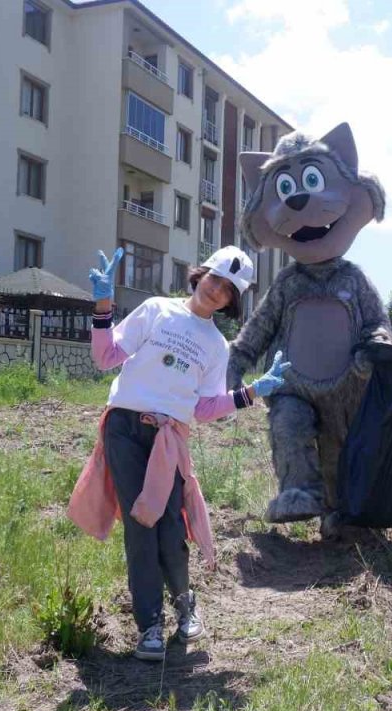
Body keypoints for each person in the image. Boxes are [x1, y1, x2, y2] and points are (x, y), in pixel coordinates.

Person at [66, 245, 289, 663]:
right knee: (140, 523)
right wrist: (102, 304)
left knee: (170, 525)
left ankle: (185, 602)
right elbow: (104, 356)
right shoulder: (156, 310)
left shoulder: (216, 345)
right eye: (215, 279)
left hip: (169, 438)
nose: (217, 291)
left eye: (227, 290)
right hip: (126, 429)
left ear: (232, 301)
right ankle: (149, 624)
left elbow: (203, 409)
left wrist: (251, 393)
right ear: (200, 274)